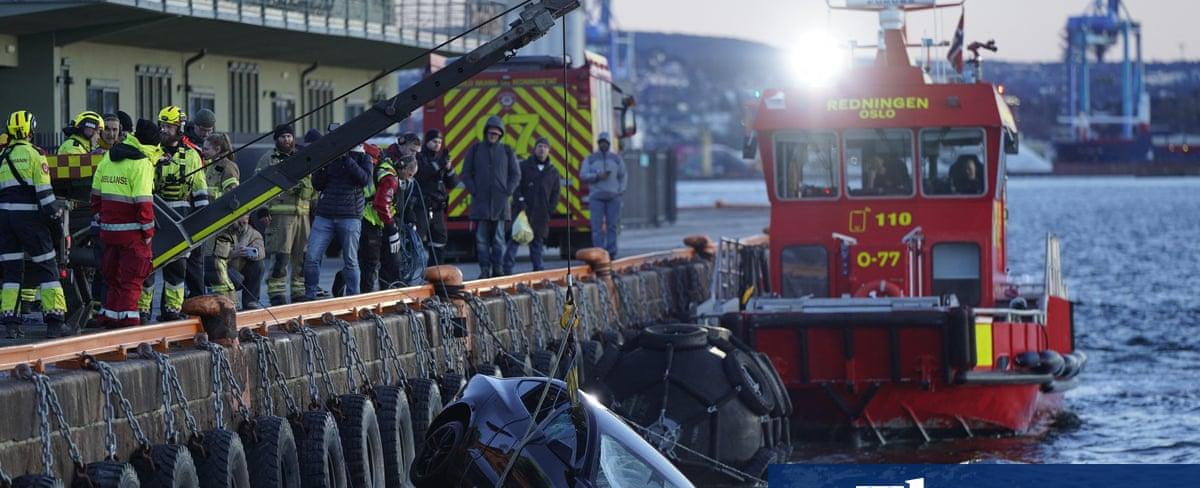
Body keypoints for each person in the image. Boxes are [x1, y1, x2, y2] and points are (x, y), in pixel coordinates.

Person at [0, 110, 70, 338]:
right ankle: (55, 321)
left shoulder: (2, 156)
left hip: (5, 222)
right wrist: (57, 218)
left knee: (11, 273)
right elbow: (46, 197)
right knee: (46, 266)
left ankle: (10, 323)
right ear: (31, 131)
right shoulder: (35, 156)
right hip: (30, 220)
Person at [139, 105, 207, 322]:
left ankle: (172, 311)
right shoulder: (150, 152)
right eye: (163, 126)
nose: (165, 130)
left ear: (180, 128)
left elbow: (200, 189)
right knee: (148, 268)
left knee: (177, 269)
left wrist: (203, 218)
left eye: (169, 126)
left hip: (182, 215)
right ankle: (142, 311)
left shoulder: (192, 156)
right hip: (156, 214)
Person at [92, 119, 157, 329]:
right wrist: (148, 231)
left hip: (108, 231)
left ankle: (110, 318)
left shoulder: (109, 157)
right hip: (133, 233)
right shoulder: (142, 163)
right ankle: (128, 325)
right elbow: (143, 201)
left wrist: (102, 216)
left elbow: (95, 194)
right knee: (132, 279)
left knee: (112, 277)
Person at [302, 142, 372, 300]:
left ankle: (353, 298)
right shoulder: (331, 157)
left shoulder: (364, 157)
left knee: (350, 260)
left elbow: (364, 179)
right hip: (325, 214)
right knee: (312, 256)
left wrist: (347, 159)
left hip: (350, 216)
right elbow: (318, 184)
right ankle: (310, 295)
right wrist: (321, 164)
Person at [256, 124, 313, 305]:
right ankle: (277, 293)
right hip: (279, 217)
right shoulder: (268, 159)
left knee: (301, 257)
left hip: (302, 216)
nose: (287, 140)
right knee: (280, 257)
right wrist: (262, 209)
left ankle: (298, 291)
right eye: (283, 137)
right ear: (276, 139)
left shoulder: (302, 158)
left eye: (289, 136)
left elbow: (313, 185)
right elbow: (258, 186)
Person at [460, 115, 520, 279]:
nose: (493, 135)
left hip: (500, 204)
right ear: (486, 132)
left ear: (500, 134)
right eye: (491, 132)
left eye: (496, 133)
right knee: (481, 240)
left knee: (499, 239)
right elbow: (465, 174)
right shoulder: (475, 149)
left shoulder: (507, 150)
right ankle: (485, 270)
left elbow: (516, 174)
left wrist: (508, 191)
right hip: (481, 203)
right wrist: (475, 190)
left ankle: (498, 270)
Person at [504, 137, 560, 273]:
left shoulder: (553, 171)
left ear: (548, 151)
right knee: (515, 240)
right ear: (535, 149)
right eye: (540, 146)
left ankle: (538, 271)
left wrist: (549, 209)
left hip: (541, 214)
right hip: (523, 211)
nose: (542, 149)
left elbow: (555, 193)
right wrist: (520, 201)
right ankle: (506, 269)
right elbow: (516, 186)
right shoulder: (523, 166)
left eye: (545, 147)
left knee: (537, 244)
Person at [201, 133, 241, 300]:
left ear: (217, 149)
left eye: (206, 148)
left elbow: (233, 197)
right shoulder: (210, 167)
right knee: (212, 268)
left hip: (223, 227)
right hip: (211, 226)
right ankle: (224, 304)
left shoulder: (227, 167)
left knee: (217, 268)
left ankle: (230, 305)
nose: (203, 151)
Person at [359, 150, 402, 292]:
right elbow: (381, 204)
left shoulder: (385, 170)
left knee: (378, 262)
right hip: (371, 220)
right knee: (371, 263)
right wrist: (391, 228)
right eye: (409, 175)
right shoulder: (390, 178)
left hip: (374, 220)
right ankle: (368, 300)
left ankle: (381, 295)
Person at [581, 132, 626, 258]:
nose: (603, 145)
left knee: (612, 225)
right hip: (596, 197)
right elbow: (583, 175)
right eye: (601, 142)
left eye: (605, 143)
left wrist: (621, 190)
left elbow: (623, 175)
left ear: (609, 144)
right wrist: (596, 176)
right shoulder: (590, 159)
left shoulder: (616, 159)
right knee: (596, 226)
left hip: (613, 196)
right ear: (598, 143)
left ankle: (611, 252)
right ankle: (599, 252)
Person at [415, 129, 455, 264]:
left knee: (439, 239)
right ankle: (415, 272)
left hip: (437, 208)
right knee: (417, 239)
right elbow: (422, 174)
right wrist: (439, 164)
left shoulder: (441, 159)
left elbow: (452, 183)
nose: (438, 144)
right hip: (422, 206)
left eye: (439, 142)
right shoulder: (420, 157)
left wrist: (449, 168)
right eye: (434, 141)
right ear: (427, 142)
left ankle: (436, 274)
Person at [213, 215, 264, 309]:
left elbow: (261, 251)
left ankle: (251, 301)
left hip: (241, 272)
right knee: (219, 266)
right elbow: (217, 254)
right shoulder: (224, 232)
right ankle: (228, 302)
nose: (243, 223)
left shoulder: (254, 234)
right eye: (240, 221)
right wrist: (233, 253)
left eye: (246, 220)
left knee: (259, 265)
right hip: (227, 271)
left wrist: (253, 253)